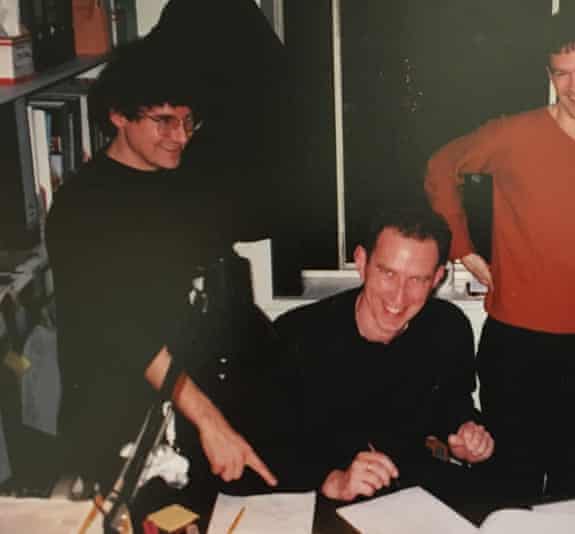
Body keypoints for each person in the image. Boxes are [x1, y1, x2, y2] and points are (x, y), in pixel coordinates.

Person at [46, 38, 277, 496]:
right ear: (118, 115)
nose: (182, 136)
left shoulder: (185, 182)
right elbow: (128, 332)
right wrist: (210, 421)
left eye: (189, 120)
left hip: (192, 399)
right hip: (121, 419)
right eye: (163, 121)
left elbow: (215, 287)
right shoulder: (81, 208)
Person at [424, 11, 575, 498]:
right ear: (549, 74)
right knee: (507, 485)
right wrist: (463, 249)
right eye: (562, 72)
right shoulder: (512, 134)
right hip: (516, 343)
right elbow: (440, 167)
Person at [272, 207, 494, 502]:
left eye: (417, 280)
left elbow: (453, 405)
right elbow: (268, 446)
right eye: (388, 273)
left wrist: (466, 436)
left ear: (438, 277)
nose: (399, 297)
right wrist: (332, 481)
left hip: (410, 492)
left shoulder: (447, 327)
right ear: (361, 262)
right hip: (320, 495)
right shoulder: (296, 335)